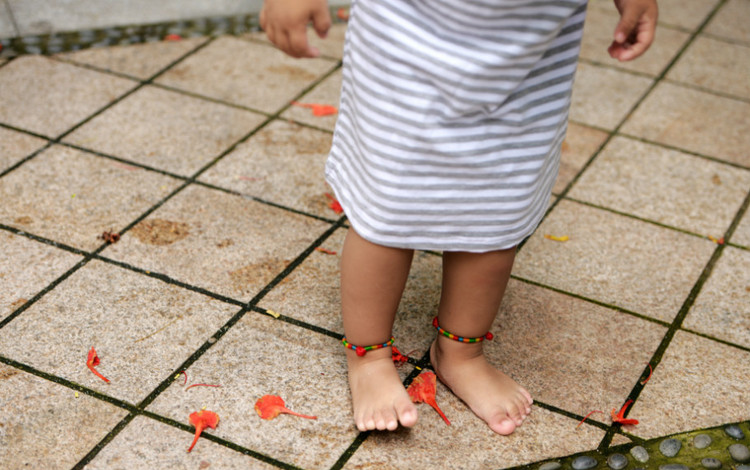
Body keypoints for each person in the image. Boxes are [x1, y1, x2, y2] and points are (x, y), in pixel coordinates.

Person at [260, 0, 657, 435]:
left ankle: (460, 351)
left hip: (526, 62)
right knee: (386, 210)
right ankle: (368, 355)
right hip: (408, 44)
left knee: (497, 210)